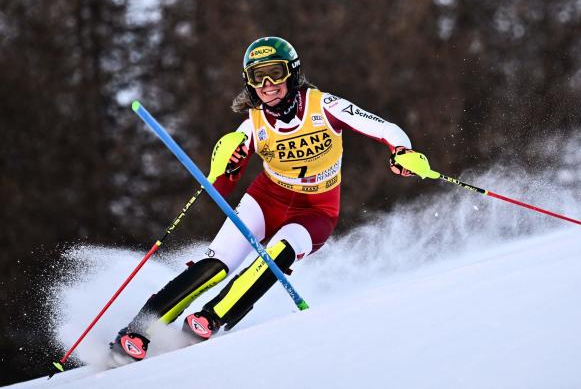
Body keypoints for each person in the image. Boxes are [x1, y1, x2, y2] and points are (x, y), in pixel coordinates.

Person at [110, 36, 422, 362]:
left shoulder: (324, 106)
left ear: (292, 73)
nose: (268, 84)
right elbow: (223, 182)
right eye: (258, 77)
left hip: (315, 211)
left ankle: (210, 318)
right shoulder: (251, 125)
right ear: (249, 83)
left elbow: (385, 128)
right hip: (266, 199)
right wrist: (227, 166)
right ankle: (138, 331)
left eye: (274, 73)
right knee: (216, 266)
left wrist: (401, 151)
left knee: (278, 255)